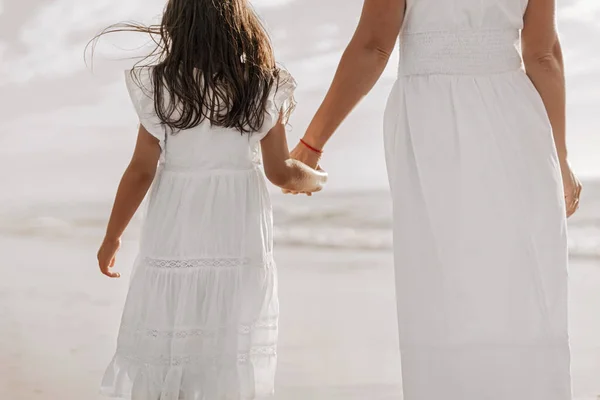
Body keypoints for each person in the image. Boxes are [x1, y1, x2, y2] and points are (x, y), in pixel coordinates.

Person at [289, 0, 581, 399]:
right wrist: (559, 157)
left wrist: (311, 144)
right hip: (516, 120)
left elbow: (374, 46)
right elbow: (542, 54)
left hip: (430, 120)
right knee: (520, 279)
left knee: (440, 283)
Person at [93, 1, 327, 398]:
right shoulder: (262, 86)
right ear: (239, 25)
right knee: (228, 344)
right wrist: (316, 179)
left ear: (176, 25)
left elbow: (140, 170)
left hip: (175, 230)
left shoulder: (160, 86)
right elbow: (280, 172)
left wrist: (112, 236)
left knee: (172, 336)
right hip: (237, 235)